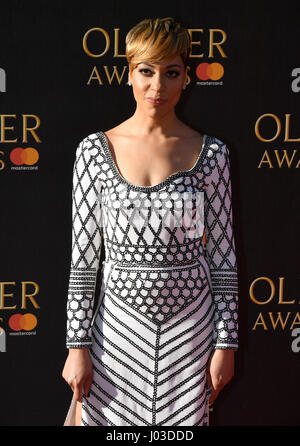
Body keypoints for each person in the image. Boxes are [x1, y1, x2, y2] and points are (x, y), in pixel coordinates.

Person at [62, 16, 239, 426]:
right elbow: (84, 260)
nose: (157, 86)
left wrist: (226, 343)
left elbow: (224, 258)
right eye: (146, 71)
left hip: (190, 334)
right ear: (128, 74)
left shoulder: (211, 155)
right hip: (115, 333)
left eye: (170, 73)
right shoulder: (94, 151)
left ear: (186, 78)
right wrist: (76, 345)